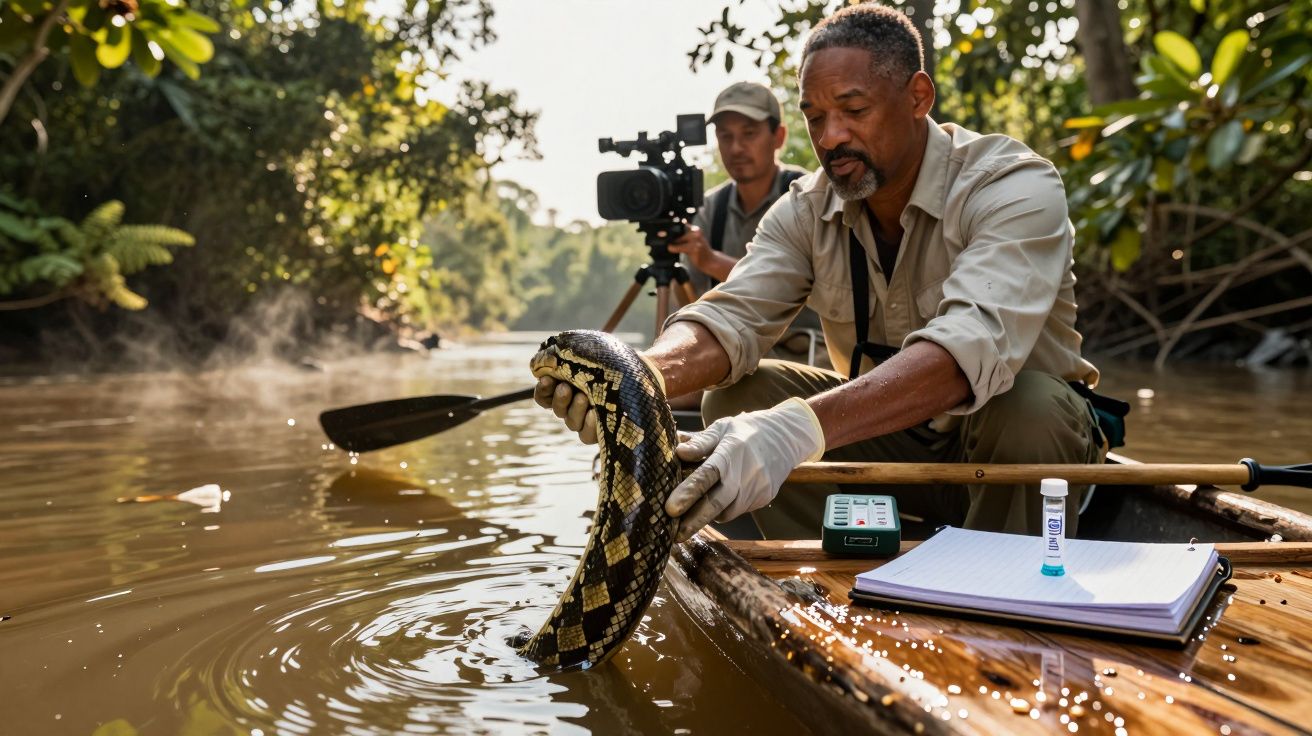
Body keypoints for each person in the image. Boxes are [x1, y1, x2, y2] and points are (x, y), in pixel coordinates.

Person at [537, 3, 1110, 542]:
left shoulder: (1011, 184)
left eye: (854, 111)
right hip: (891, 443)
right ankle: (829, 582)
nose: (831, 137)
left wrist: (794, 431)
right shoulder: (806, 207)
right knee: (741, 395)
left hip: (1011, 451)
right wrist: (632, 379)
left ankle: (1001, 586)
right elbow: (731, 316)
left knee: (1032, 405)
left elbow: (967, 351)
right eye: (815, 117)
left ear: (918, 96)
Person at [668, 82, 824, 366]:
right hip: (729, 354)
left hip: (804, 356)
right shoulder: (709, 209)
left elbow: (795, 291)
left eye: (749, 134)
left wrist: (711, 260)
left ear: (779, 136)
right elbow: (692, 306)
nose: (736, 148)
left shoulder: (810, 198)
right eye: (725, 137)